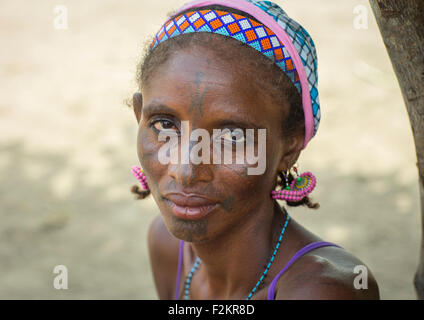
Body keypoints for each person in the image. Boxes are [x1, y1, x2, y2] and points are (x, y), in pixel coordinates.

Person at [129, 0, 380, 300]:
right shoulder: (169, 247)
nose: (185, 171)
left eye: (232, 136)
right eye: (164, 126)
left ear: (290, 148)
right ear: (139, 115)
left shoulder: (321, 292)